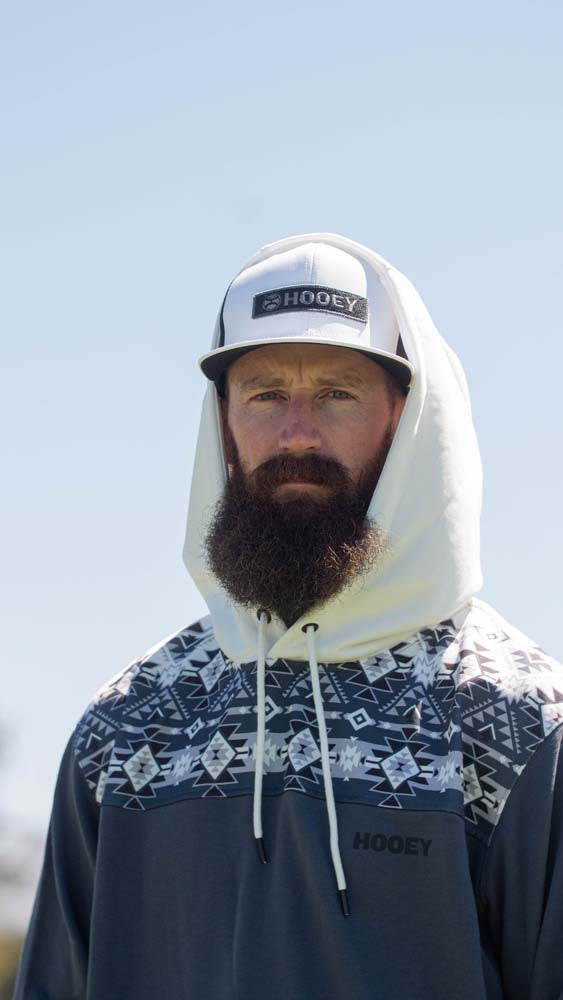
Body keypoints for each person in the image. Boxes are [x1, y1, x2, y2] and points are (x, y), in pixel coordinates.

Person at [15, 234, 563, 1000]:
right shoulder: (125, 727)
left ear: (405, 417)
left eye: (337, 393)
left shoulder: (518, 724)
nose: (296, 433)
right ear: (223, 421)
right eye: (265, 394)